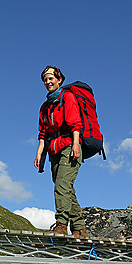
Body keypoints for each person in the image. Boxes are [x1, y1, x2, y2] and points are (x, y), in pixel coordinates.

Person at [34, 66, 87, 238]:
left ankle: (62, 224)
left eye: (51, 78)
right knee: (66, 188)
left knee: (62, 186)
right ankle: (79, 229)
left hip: (69, 145)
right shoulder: (45, 106)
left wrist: (76, 144)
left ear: (59, 80)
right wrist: (39, 153)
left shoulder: (68, 97)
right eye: (45, 79)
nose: (48, 82)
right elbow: (43, 133)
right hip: (54, 150)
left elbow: (75, 123)